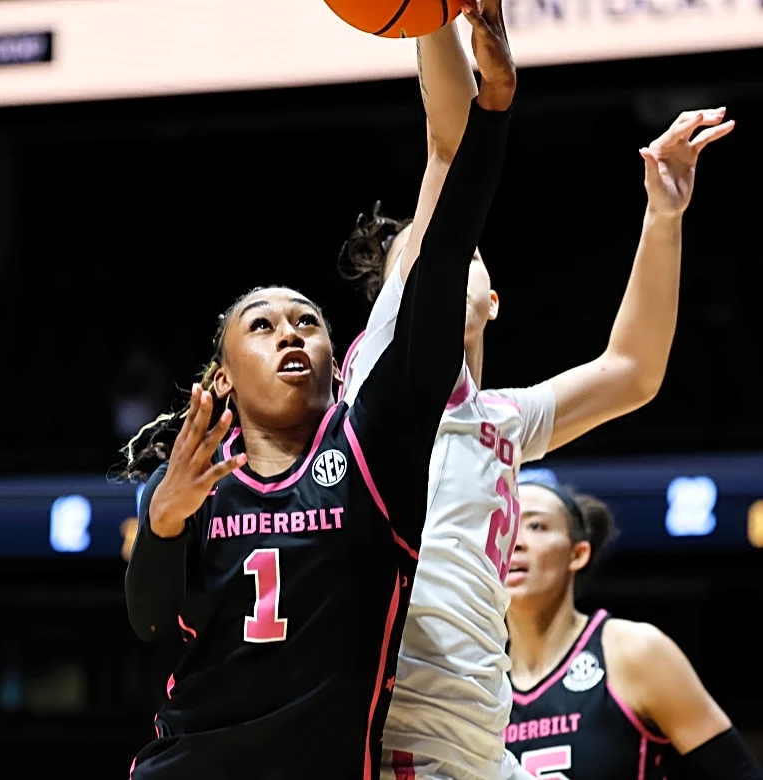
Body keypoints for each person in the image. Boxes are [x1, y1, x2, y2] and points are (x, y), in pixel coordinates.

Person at [119, 3, 515, 779]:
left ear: (341, 363)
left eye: (308, 321)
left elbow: (442, 254)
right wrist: (162, 525)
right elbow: (150, 624)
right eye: (263, 326)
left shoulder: (375, 448)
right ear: (223, 375)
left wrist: (494, 110)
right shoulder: (190, 483)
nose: (292, 333)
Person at [338, 21, 735, 780]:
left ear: (493, 299)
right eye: (422, 258)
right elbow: (449, 143)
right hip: (397, 735)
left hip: (480, 742)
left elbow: (632, 371)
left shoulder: (501, 421)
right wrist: (431, 17)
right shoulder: (377, 378)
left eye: (462, 250)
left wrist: (663, 217)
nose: (443, 259)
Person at [505, 481, 763, 780]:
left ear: (578, 554)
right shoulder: (478, 677)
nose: (515, 542)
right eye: (504, 526)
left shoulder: (634, 651)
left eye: (536, 526)